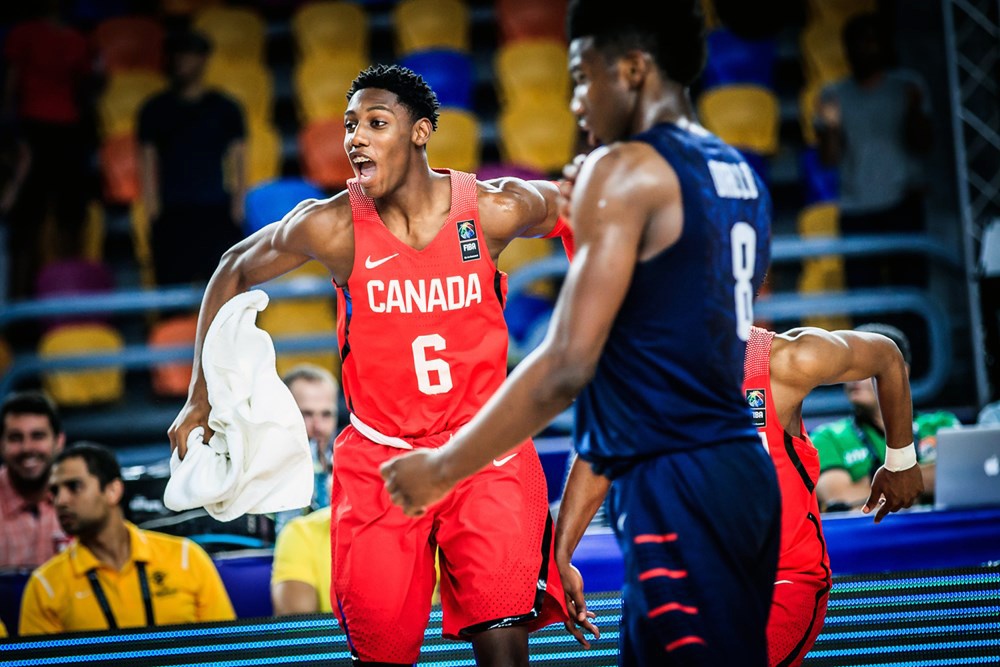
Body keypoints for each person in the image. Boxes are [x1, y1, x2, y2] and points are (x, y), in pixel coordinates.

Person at [379, 1, 781, 664]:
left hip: (676, 480)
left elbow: (567, 363)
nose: (573, 102)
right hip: (739, 470)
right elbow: (658, 332)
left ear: (632, 69)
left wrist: (444, 467)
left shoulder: (623, 169)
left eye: (581, 75)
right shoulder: (737, 170)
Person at [167, 64, 574, 664]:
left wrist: (610, 325)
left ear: (421, 132)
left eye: (375, 123)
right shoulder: (332, 225)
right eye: (350, 125)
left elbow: (577, 212)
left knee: (506, 649)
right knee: (382, 651)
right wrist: (198, 396)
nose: (355, 137)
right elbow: (232, 266)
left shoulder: (492, 210)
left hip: (486, 456)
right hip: (383, 460)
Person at [743, 325, 923, 666]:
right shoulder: (649, 368)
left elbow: (886, 355)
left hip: (781, 578)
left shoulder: (781, 359)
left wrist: (901, 459)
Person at [19, 442, 235, 635]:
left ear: (113, 490)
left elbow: (225, 650)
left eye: (74, 487)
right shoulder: (44, 585)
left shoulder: (187, 558)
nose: (60, 501)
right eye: (55, 491)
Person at [815, 11, 933, 292]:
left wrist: (914, 109)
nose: (864, 49)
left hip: (902, 204)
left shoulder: (907, 85)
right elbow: (828, 159)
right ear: (847, 49)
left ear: (883, 44)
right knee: (863, 302)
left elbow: (925, 143)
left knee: (912, 296)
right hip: (857, 211)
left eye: (870, 41)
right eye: (857, 42)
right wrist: (831, 128)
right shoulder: (833, 95)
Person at [138, 28, 246, 287]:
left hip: (216, 211)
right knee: (172, 298)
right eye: (176, 55)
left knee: (224, 296)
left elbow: (239, 158)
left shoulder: (225, 108)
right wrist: (153, 213)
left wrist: (237, 205)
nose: (180, 61)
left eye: (188, 55)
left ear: (203, 59)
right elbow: (147, 161)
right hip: (172, 214)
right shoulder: (155, 110)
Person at [3, 0, 95, 300]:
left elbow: (84, 87)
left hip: (69, 135)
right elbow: (11, 81)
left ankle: (72, 296)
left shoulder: (77, 39)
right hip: (32, 132)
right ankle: (18, 305)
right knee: (26, 225)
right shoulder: (23, 33)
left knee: (71, 222)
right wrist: (8, 126)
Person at [813, 323, 960, 511]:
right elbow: (841, 499)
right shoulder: (828, 437)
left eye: (864, 368)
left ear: (900, 372)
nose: (853, 378)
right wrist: (916, 481)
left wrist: (877, 484)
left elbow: (964, 479)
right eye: (848, 369)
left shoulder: (941, 424)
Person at [0, 390, 68, 567]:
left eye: (38, 436)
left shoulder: (83, 501)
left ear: (59, 441)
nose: (27, 448)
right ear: (1, 444)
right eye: (16, 438)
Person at [283, 363, 339, 510]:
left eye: (326, 415)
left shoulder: (349, 468)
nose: (318, 426)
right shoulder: (259, 472)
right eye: (306, 414)